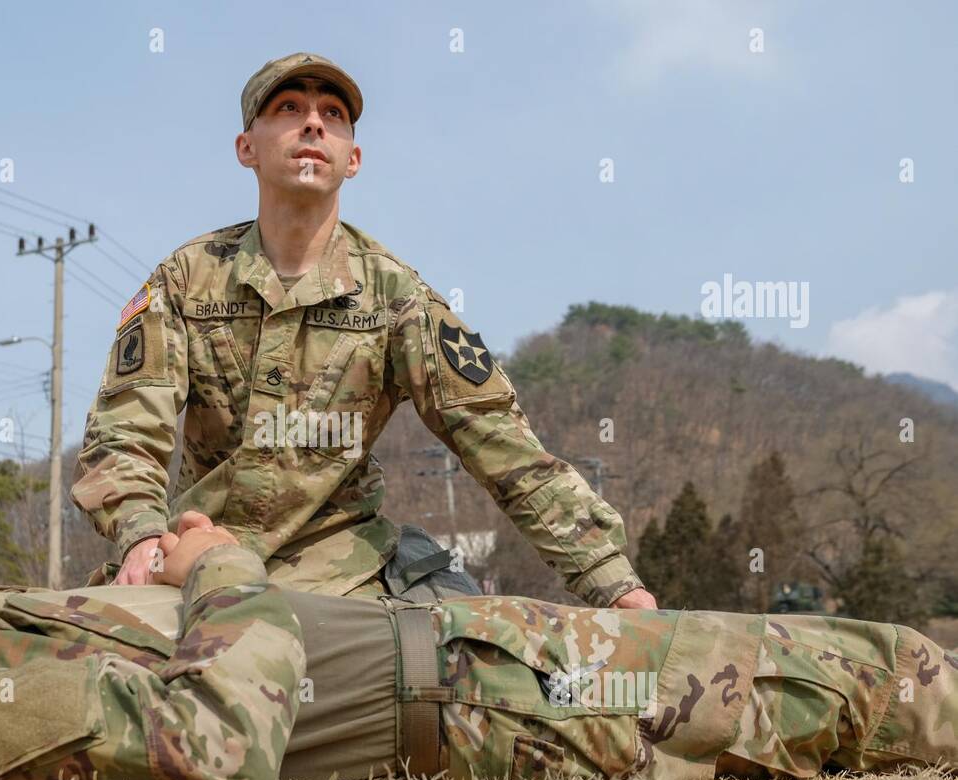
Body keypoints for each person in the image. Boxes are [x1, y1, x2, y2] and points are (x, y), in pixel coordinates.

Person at [0, 518, 955, 780]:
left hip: (474, 653)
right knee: (878, 685)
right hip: (495, 696)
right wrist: (216, 565)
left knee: (876, 662)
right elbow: (219, 751)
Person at [71, 51, 657, 611]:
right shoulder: (187, 279)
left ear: (352, 158)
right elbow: (126, 432)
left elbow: (501, 445)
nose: (313, 125)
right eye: (288, 109)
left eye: (333, 115)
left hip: (347, 579)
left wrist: (614, 584)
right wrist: (142, 537)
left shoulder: (397, 297)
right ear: (246, 147)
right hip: (197, 560)